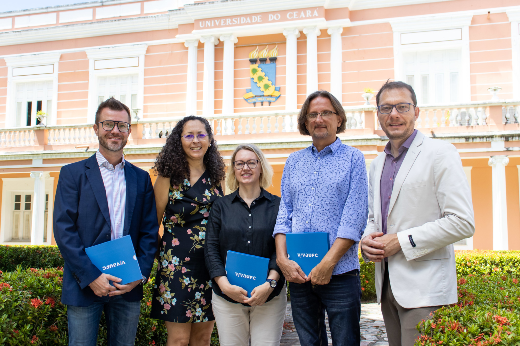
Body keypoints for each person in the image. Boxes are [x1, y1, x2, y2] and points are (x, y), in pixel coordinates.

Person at [360, 81, 475, 346]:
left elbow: (462, 222)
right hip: (387, 287)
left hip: (426, 289)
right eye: (386, 108)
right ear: (378, 114)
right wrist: (367, 239)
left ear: (416, 111)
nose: (394, 114)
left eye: (402, 106)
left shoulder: (440, 154)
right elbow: (372, 219)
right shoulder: (377, 164)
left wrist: (401, 240)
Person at [53, 97, 159, 346]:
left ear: (129, 131)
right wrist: (91, 277)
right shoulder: (73, 174)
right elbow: (64, 229)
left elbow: (149, 231)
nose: (115, 130)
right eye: (108, 123)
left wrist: (140, 275)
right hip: (85, 284)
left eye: (122, 126)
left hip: (127, 285)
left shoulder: (141, 178)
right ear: (96, 128)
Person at [273, 90, 368, 346]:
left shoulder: (353, 159)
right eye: (312, 114)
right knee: (310, 343)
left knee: (345, 342)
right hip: (300, 273)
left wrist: (328, 264)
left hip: (340, 272)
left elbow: (354, 218)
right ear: (305, 122)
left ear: (339, 119)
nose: (319, 119)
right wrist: (282, 259)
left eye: (326, 112)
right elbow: (285, 215)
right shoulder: (293, 162)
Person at [150, 115, 225, 346]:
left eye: (201, 135)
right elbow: (152, 224)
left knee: (203, 340)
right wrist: (164, 257)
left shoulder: (218, 178)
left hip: (211, 267)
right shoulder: (167, 178)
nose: (196, 140)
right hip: (175, 269)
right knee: (179, 340)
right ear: (179, 140)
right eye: (189, 135)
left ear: (210, 140)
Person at [205, 144, 286, 346]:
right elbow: (211, 248)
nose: (245, 168)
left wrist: (270, 283)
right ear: (233, 169)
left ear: (261, 167)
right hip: (228, 296)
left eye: (251, 162)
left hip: (269, 295)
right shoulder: (220, 206)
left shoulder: (278, 205)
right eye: (239, 163)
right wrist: (224, 286)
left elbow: (282, 249)